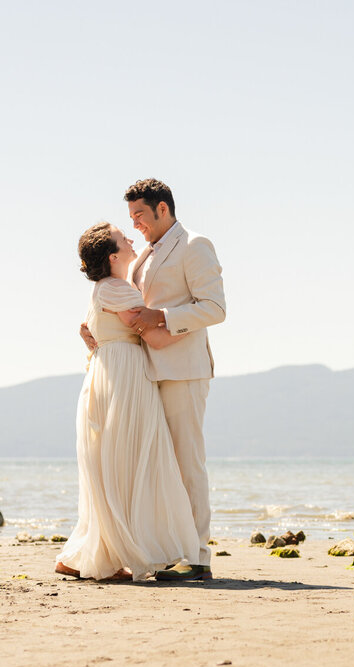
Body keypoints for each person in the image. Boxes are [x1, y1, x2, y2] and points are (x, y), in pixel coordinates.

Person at [80, 179, 226, 581]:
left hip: (182, 369)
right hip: (143, 376)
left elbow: (214, 308)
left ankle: (197, 556)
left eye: (140, 215)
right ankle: (164, 548)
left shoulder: (195, 245)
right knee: (155, 466)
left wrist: (161, 318)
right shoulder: (142, 255)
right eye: (130, 218)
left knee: (186, 462)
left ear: (163, 209)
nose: (136, 224)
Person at [56, 222, 201, 581]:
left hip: (113, 374)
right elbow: (153, 336)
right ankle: (114, 553)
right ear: (113, 255)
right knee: (128, 461)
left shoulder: (109, 290)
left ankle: (92, 553)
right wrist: (197, 320)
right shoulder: (117, 290)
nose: (131, 239)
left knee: (115, 463)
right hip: (124, 379)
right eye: (124, 238)